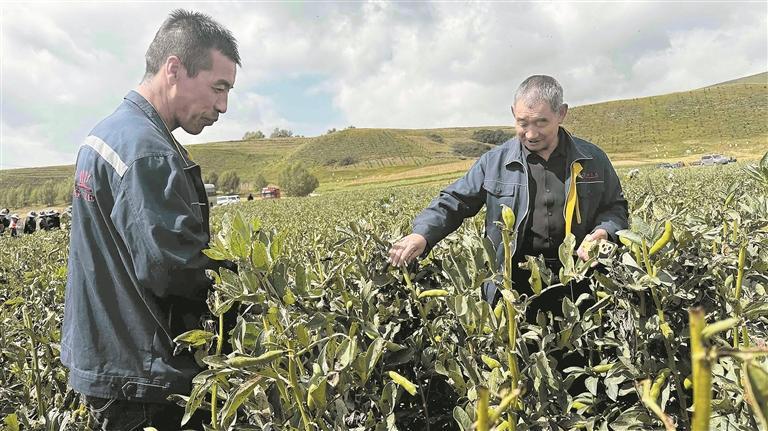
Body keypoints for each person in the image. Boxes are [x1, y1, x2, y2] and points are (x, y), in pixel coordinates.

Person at [61, 9, 240, 430]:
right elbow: (173, 270)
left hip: (110, 359)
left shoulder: (106, 134)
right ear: (174, 69)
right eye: (218, 87)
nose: (223, 106)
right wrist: (249, 284)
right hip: (144, 375)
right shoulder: (147, 152)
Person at [389, 75, 628, 320]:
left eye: (541, 122)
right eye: (522, 122)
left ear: (562, 113)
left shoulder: (592, 158)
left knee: (576, 353)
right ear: (513, 113)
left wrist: (604, 231)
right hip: (513, 284)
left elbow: (615, 208)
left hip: (578, 280)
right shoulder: (494, 162)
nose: (531, 134)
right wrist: (422, 233)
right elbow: (455, 201)